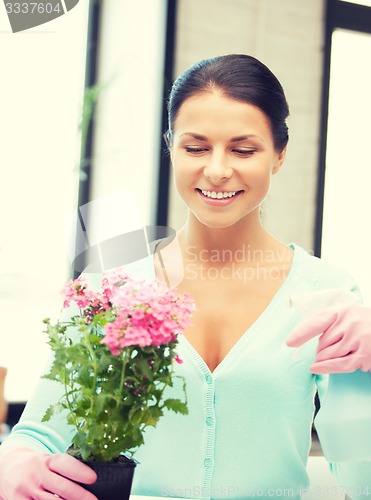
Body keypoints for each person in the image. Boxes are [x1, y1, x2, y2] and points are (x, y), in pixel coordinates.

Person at [1, 53, 371, 500]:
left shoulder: (328, 295)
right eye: (195, 148)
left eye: (243, 149)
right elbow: (40, 435)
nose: (216, 169)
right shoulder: (107, 291)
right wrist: (15, 463)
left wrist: (365, 373)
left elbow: (361, 478)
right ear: (171, 148)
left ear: (279, 155)